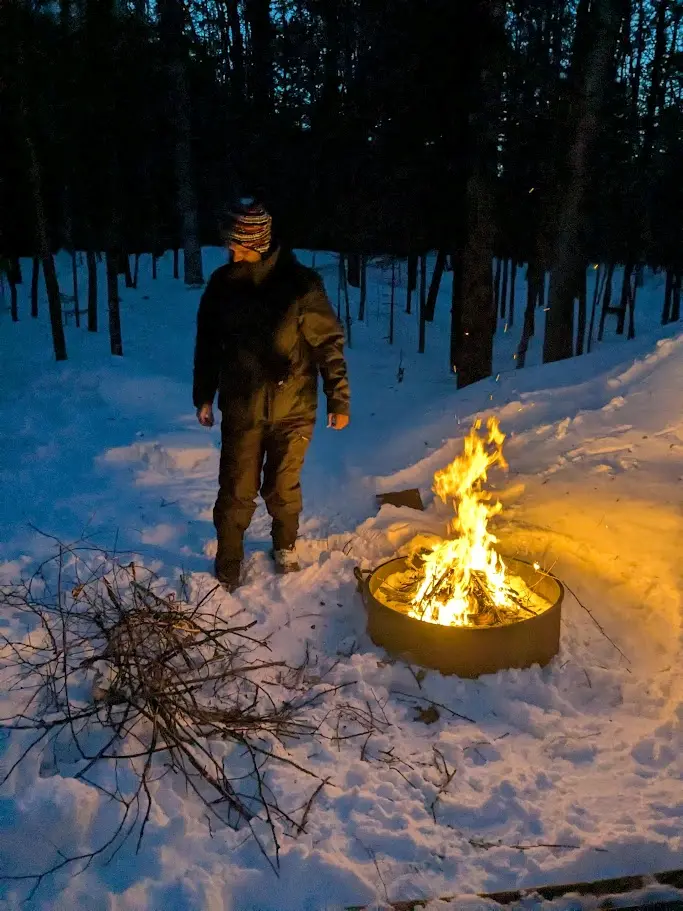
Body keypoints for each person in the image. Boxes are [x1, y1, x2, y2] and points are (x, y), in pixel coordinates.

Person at [193, 199, 350, 592]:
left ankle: (285, 544)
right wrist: (203, 394)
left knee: (282, 486)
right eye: (230, 245)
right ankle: (229, 558)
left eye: (239, 245)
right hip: (241, 406)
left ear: (259, 242)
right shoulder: (222, 285)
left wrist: (338, 398)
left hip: (293, 408)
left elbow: (328, 344)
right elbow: (208, 344)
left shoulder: (300, 285)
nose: (232, 252)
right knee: (236, 488)